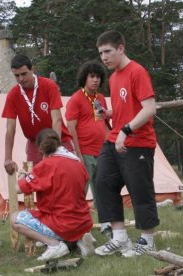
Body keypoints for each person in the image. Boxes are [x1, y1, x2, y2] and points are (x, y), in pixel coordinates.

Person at [93, 30, 159, 257]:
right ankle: (119, 237)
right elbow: (125, 106)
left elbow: (149, 108)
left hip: (138, 142)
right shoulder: (113, 77)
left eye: (108, 51)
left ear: (120, 48)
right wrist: (110, 114)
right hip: (114, 140)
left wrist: (126, 129)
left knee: (139, 189)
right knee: (102, 182)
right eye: (100, 53)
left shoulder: (137, 72)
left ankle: (148, 240)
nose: (104, 57)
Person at [10, 129, 93, 261]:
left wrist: (21, 175)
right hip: (83, 221)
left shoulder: (46, 165)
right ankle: (77, 240)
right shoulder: (77, 162)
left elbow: (18, 188)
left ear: (41, 150)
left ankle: (54, 245)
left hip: (61, 223)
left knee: (15, 219)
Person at [3, 54, 74, 173]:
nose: (21, 79)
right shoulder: (13, 95)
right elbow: (10, 128)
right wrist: (7, 158)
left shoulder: (49, 86)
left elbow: (56, 119)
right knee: (37, 181)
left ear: (32, 69)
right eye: (17, 75)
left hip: (59, 139)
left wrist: (56, 147)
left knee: (65, 177)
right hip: (35, 143)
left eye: (24, 74)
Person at [65, 60, 112, 236]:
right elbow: (70, 129)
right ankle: (76, 226)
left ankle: (106, 224)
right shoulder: (75, 99)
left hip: (102, 151)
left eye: (98, 77)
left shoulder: (100, 99)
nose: (95, 80)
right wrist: (77, 154)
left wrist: (110, 146)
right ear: (84, 78)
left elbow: (105, 124)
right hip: (83, 152)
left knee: (103, 188)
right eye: (92, 76)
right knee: (80, 192)